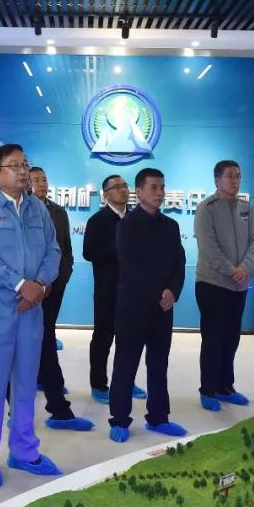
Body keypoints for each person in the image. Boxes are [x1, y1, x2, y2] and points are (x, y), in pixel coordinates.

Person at [0, 144, 62, 487]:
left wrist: (41, 284)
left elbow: (53, 250)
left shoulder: (38, 209)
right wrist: (21, 286)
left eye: (25, 165)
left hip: (31, 310)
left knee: (25, 382)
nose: (23, 171)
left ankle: (23, 450)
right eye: (14, 166)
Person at [108, 168, 187, 444]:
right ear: (139, 192)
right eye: (153, 188)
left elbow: (179, 263)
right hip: (133, 307)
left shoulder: (171, 226)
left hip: (163, 309)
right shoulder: (127, 225)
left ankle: (158, 417)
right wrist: (158, 293)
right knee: (126, 364)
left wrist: (172, 291)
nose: (159, 193)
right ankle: (119, 420)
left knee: (158, 364)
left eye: (162, 187)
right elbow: (131, 266)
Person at [26, 166, 92, 431]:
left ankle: (52, 395)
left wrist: (58, 278)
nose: (42, 183)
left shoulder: (58, 212)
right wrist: (36, 284)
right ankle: (45, 403)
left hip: (53, 286)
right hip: (28, 291)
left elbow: (64, 250)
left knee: (46, 336)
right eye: (36, 179)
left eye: (44, 179)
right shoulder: (20, 211)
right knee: (31, 344)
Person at [194, 160, 254, 412]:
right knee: (213, 339)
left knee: (231, 338)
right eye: (230, 176)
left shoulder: (246, 207)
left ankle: (225, 387)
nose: (235, 181)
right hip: (212, 283)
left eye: (238, 176)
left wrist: (245, 268)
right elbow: (207, 246)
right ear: (217, 180)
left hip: (239, 286)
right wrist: (232, 270)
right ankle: (208, 389)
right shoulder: (206, 208)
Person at [82, 174, 146, 405]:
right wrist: (119, 245)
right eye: (117, 187)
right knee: (103, 338)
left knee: (129, 340)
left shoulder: (137, 218)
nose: (123, 190)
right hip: (107, 290)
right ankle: (99, 384)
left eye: (125, 186)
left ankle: (126, 381)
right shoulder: (97, 220)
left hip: (133, 291)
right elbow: (88, 253)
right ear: (106, 194)